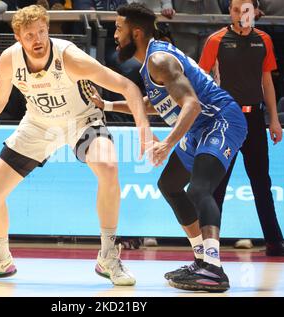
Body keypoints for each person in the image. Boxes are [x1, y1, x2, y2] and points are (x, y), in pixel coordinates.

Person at [0, 5, 151, 285]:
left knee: (108, 167)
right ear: (17, 37)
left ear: (48, 30)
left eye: (41, 32)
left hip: (82, 121)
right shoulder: (10, 60)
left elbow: (128, 87)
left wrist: (143, 128)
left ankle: (108, 256)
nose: (37, 39)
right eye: (29, 35)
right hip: (38, 125)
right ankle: (1, 258)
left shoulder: (70, 57)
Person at [95, 3, 247, 292]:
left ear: (136, 32)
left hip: (220, 119)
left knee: (200, 189)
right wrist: (108, 104)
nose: (115, 34)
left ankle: (214, 267)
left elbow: (191, 104)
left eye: (118, 28)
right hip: (198, 127)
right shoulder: (150, 60)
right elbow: (157, 103)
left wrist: (167, 143)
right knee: (169, 185)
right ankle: (202, 260)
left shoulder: (159, 59)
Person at [199, 0, 284, 257]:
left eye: (245, 9)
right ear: (230, 12)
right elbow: (201, 78)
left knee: (261, 182)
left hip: (254, 119)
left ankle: (275, 243)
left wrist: (274, 120)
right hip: (226, 120)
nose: (240, 14)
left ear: (254, 12)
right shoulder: (216, 40)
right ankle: (209, 247)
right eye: (235, 9)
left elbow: (267, 81)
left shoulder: (264, 40)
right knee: (217, 185)